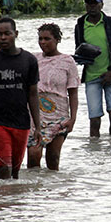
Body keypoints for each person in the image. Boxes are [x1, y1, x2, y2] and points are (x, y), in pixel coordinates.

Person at [0, 17, 42, 180]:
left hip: (21, 122)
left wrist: (38, 126)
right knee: (4, 167)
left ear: (16, 34)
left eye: (7, 34)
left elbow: (33, 94)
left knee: (16, 171)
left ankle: (13, 197)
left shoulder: (29, 60)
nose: (3, 38)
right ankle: (2, 195)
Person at [75, 0, 111, 137]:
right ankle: (95, 148)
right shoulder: (80, 24)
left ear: (102, 5)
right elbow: (79, 49)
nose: (92, 6)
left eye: (95, 3)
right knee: (94, 121)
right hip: (91, 76)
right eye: (89, 3)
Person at [27, 23, 79, 170]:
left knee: (53, 157)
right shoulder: (33, 59)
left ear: (57, 40)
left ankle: (54, 184)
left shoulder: (67, 61)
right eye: (40, 39)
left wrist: (73, 119)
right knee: (34, 154)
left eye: (47, 39)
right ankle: (33, 183)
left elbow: (73, 93)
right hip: (35, 115)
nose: (43, 42)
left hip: (59, 115)